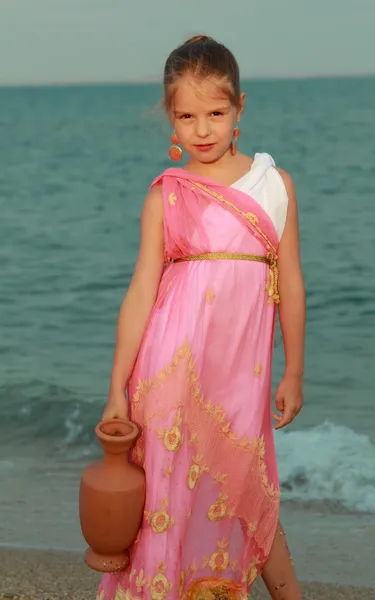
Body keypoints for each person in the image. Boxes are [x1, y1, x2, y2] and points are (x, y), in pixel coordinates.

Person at [97, 35, 306, 600]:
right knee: (166, 495)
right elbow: (142, 290)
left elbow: (290, 281)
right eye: (187, 116)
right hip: (168, 369)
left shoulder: (273, 187)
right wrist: (117, 387)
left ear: (241, 107)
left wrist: (293, 371)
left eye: (216, 112)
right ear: (172, 119)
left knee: (247, 484)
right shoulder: (166, 195)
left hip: (240, 375)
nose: (204, 129)